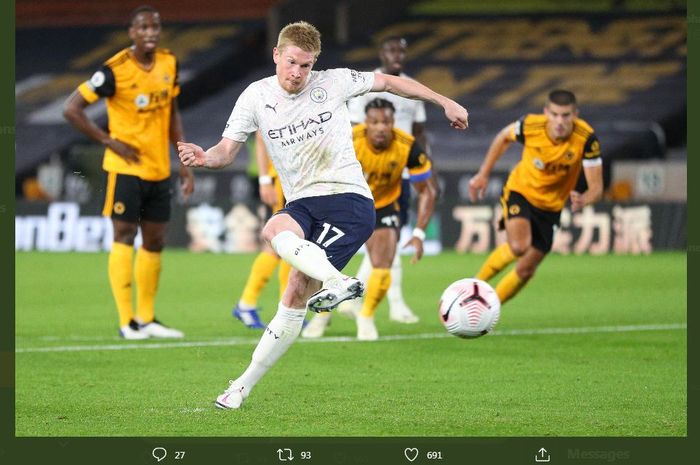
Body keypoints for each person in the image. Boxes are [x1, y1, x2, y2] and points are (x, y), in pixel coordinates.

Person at [177, 21, 468, 409]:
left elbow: (391, 83)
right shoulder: (255, 96)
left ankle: (247, 380)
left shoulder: (334, 82)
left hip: (348, 201)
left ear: (316, 63)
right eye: (292, 63)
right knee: (275, 232)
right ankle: (246, 383)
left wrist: (443, 101)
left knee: (296, 283)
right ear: (277, 55)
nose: (298, 73)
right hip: (303, 202)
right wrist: (204, 158)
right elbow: (226, 150)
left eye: (306, 65)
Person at [63, 5, 194, 340]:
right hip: (125, 169)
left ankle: (147, 318)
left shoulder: (169, 62)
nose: (150, 32)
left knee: (155, 240)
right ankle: (127, 322)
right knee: (123, 236)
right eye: (143, 27)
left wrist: (183, 161)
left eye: (155, 26)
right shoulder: (114, 70)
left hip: (159, 168)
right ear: (132, 32)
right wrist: (109, 141)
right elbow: (71, 109)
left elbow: (173, 113)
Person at [303, 98, 436, 340]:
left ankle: (366, 316)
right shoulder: (348, 139)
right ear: (366, 123)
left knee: (383, 263)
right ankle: (322, 316)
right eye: (374, 122)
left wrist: (418, 234)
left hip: (383, 206)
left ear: (393, 122)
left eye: (386, 122)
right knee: (327, 263)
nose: (381, 127)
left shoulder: (408, 146)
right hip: (347, 205)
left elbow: (427, 190)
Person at [468, 90, 602, 304]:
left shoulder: (587, 139)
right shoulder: (530, 125)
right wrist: (483, 174)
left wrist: (585, 199)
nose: (560, 121)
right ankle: (471, 287)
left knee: (526, 269)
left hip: (551, 208)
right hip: (521, 191)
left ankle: (489, 309)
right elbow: (503, 137)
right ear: (546, 112)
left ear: (575, 115)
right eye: (555, 114)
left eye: (566, 115)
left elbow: (597, 188)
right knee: (519, 246)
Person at [343, 36, 429, 324]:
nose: (397, 55)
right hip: (367, 174)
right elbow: (355, 130)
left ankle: (386, 301)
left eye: (401, 50)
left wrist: (428, 165)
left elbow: (419, 132)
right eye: (391, 50)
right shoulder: (368, 86)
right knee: (378, 242)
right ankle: (383, 301)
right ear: (381, 53)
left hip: (401, 171)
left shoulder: (412, 88)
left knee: (390, 240)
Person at [232, 131, 291, 329]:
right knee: (280, 244)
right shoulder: (277, 101)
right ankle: (248, 304)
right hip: (279, 180)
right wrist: (265, 180)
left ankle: (287, 309)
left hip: (291, 178)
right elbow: (261, 135)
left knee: (290, 244)